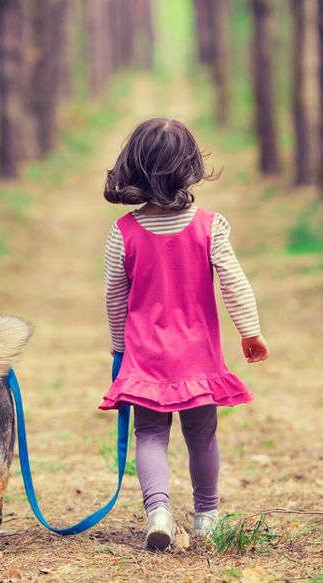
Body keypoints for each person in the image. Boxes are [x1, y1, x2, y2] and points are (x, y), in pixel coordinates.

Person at [98, 118, 269, 551]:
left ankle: (158, 511)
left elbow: (114, 297)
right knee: (202, 436)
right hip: (198, 357)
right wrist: (250, 331)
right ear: (189, 166)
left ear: (132, 168)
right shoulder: (211, 226)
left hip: (146, 357)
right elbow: (234, 281)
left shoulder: (123, 233)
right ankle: (207, 516)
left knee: (150, 436)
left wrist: (120, 347)